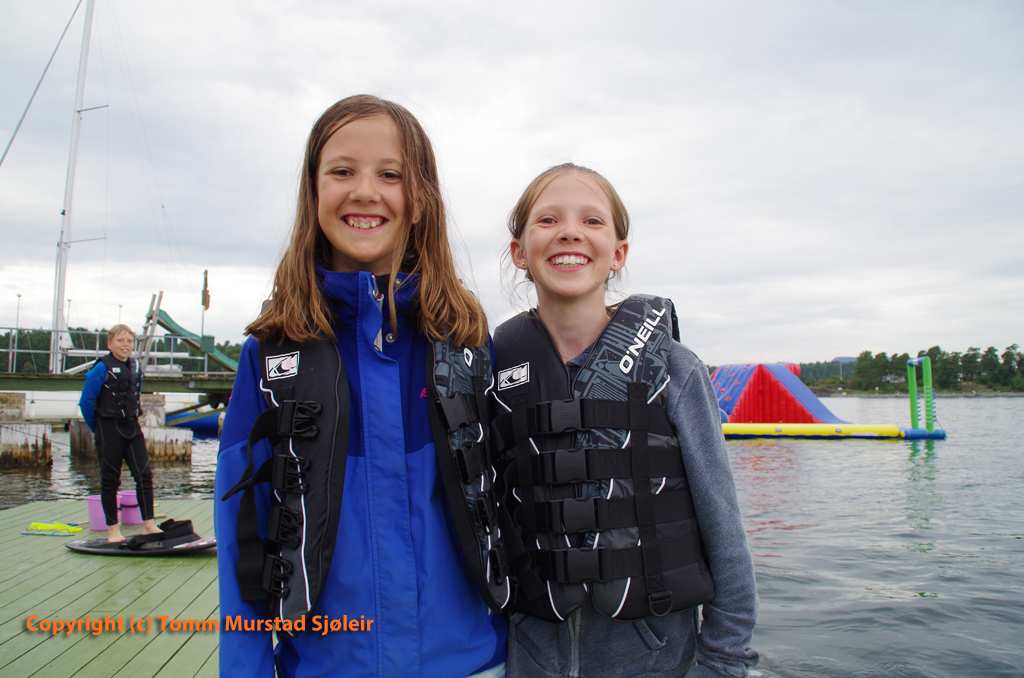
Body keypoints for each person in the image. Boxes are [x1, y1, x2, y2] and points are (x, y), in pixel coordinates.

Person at [214, 95, 507, 678]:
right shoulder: (267, 357)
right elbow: (241, 541)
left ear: (420, 200)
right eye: (342, 171)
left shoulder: (470, 346)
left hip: (475, 665)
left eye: (390, 174)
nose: (366, 192)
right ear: (313, 193)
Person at [491, 164, 759, 678]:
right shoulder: (494, 370)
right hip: (530, 653)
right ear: (519, 252)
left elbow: (724, 529)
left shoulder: (675, 370)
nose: (570, 232)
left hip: (655, 655)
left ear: (618, 253)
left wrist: (724, 661)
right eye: (548, 219)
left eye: (592, 221)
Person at [79, 324, 162, 543]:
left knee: (144, 475)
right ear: (110, 344)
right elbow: (86, 402)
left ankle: (149, 525)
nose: (125, 344)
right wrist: (97, 429)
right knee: (110, 480)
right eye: (120, 340)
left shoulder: (135, 366)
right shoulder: (101, 368)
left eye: (129, 341)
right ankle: (113, 531)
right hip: (109, 429)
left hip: (132, 427)